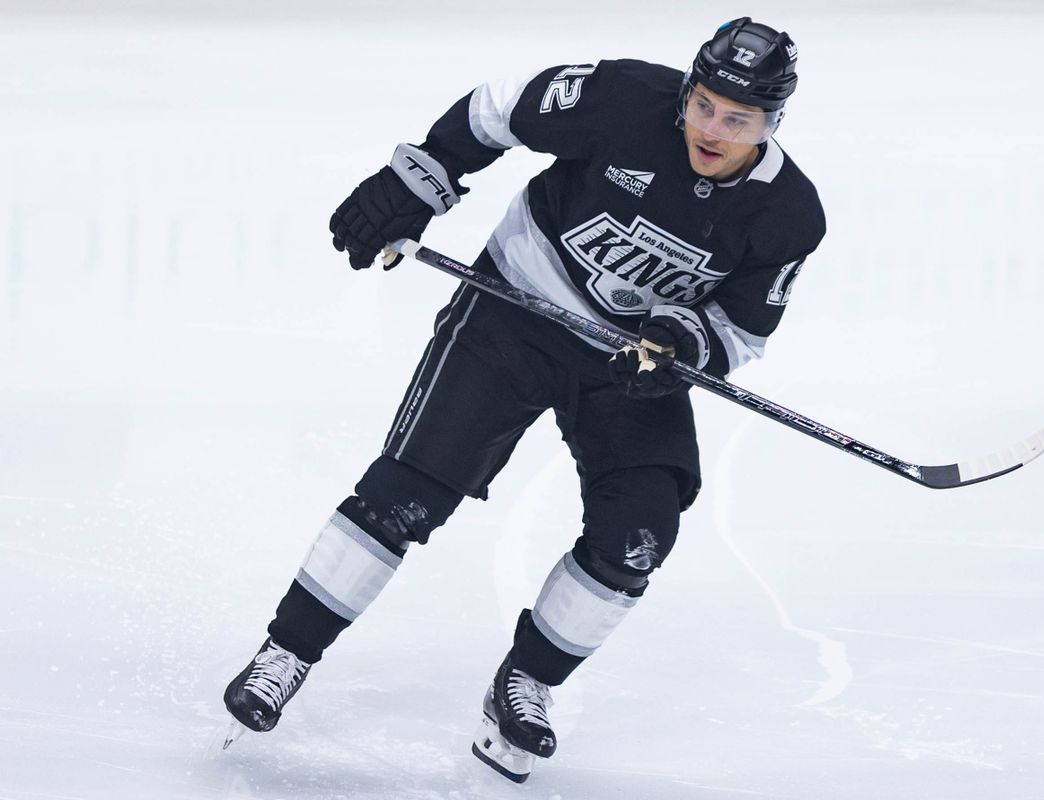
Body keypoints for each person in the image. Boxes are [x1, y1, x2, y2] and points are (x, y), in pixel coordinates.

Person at [222, 16, 825, 783]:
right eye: (704, 104)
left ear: (772, 122)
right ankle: (284, 654)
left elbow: (741, 328)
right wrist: (419, 180)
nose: (712, 128)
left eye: (737, 119)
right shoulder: (624, 98)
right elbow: (497, 109)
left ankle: (526, 683)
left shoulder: (791, 215)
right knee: (407, 494)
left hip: (628, 365)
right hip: (515, 309)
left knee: (640, 532)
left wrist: (683, 347)